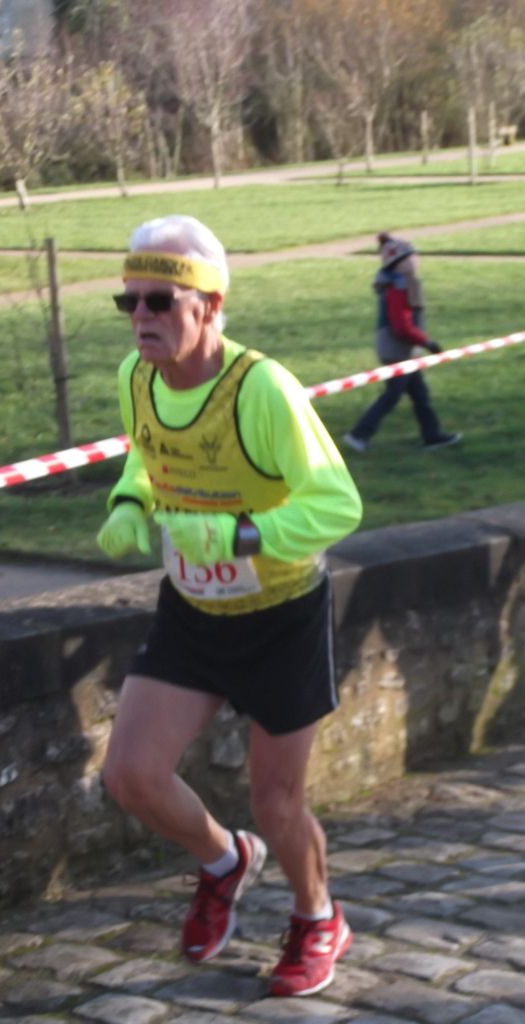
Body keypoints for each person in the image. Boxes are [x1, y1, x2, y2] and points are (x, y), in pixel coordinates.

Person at [96, 214, 362, 998]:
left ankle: (318, 918)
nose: (141, 317)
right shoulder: (136, 378)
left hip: (280, 616)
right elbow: (148, 456)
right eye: (129, 301)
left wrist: (241, 534)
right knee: (130, 776)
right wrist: (129, 501)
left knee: (277, 803)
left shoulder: (262, 390)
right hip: (192, 611)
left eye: (160, 302)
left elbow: (337, 504)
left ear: (210, 306)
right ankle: (224, 859)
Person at [344, 232, 462, 453]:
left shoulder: (405, 283)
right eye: (410, 257)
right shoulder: (398, 288)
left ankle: (432, 435)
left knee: (419, 394)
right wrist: (427, 343)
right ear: (397, 263)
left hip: (404, 349)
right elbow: (401, 327)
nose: (415, 261)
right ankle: (358, 434)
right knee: (393, 395)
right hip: (396, 350)